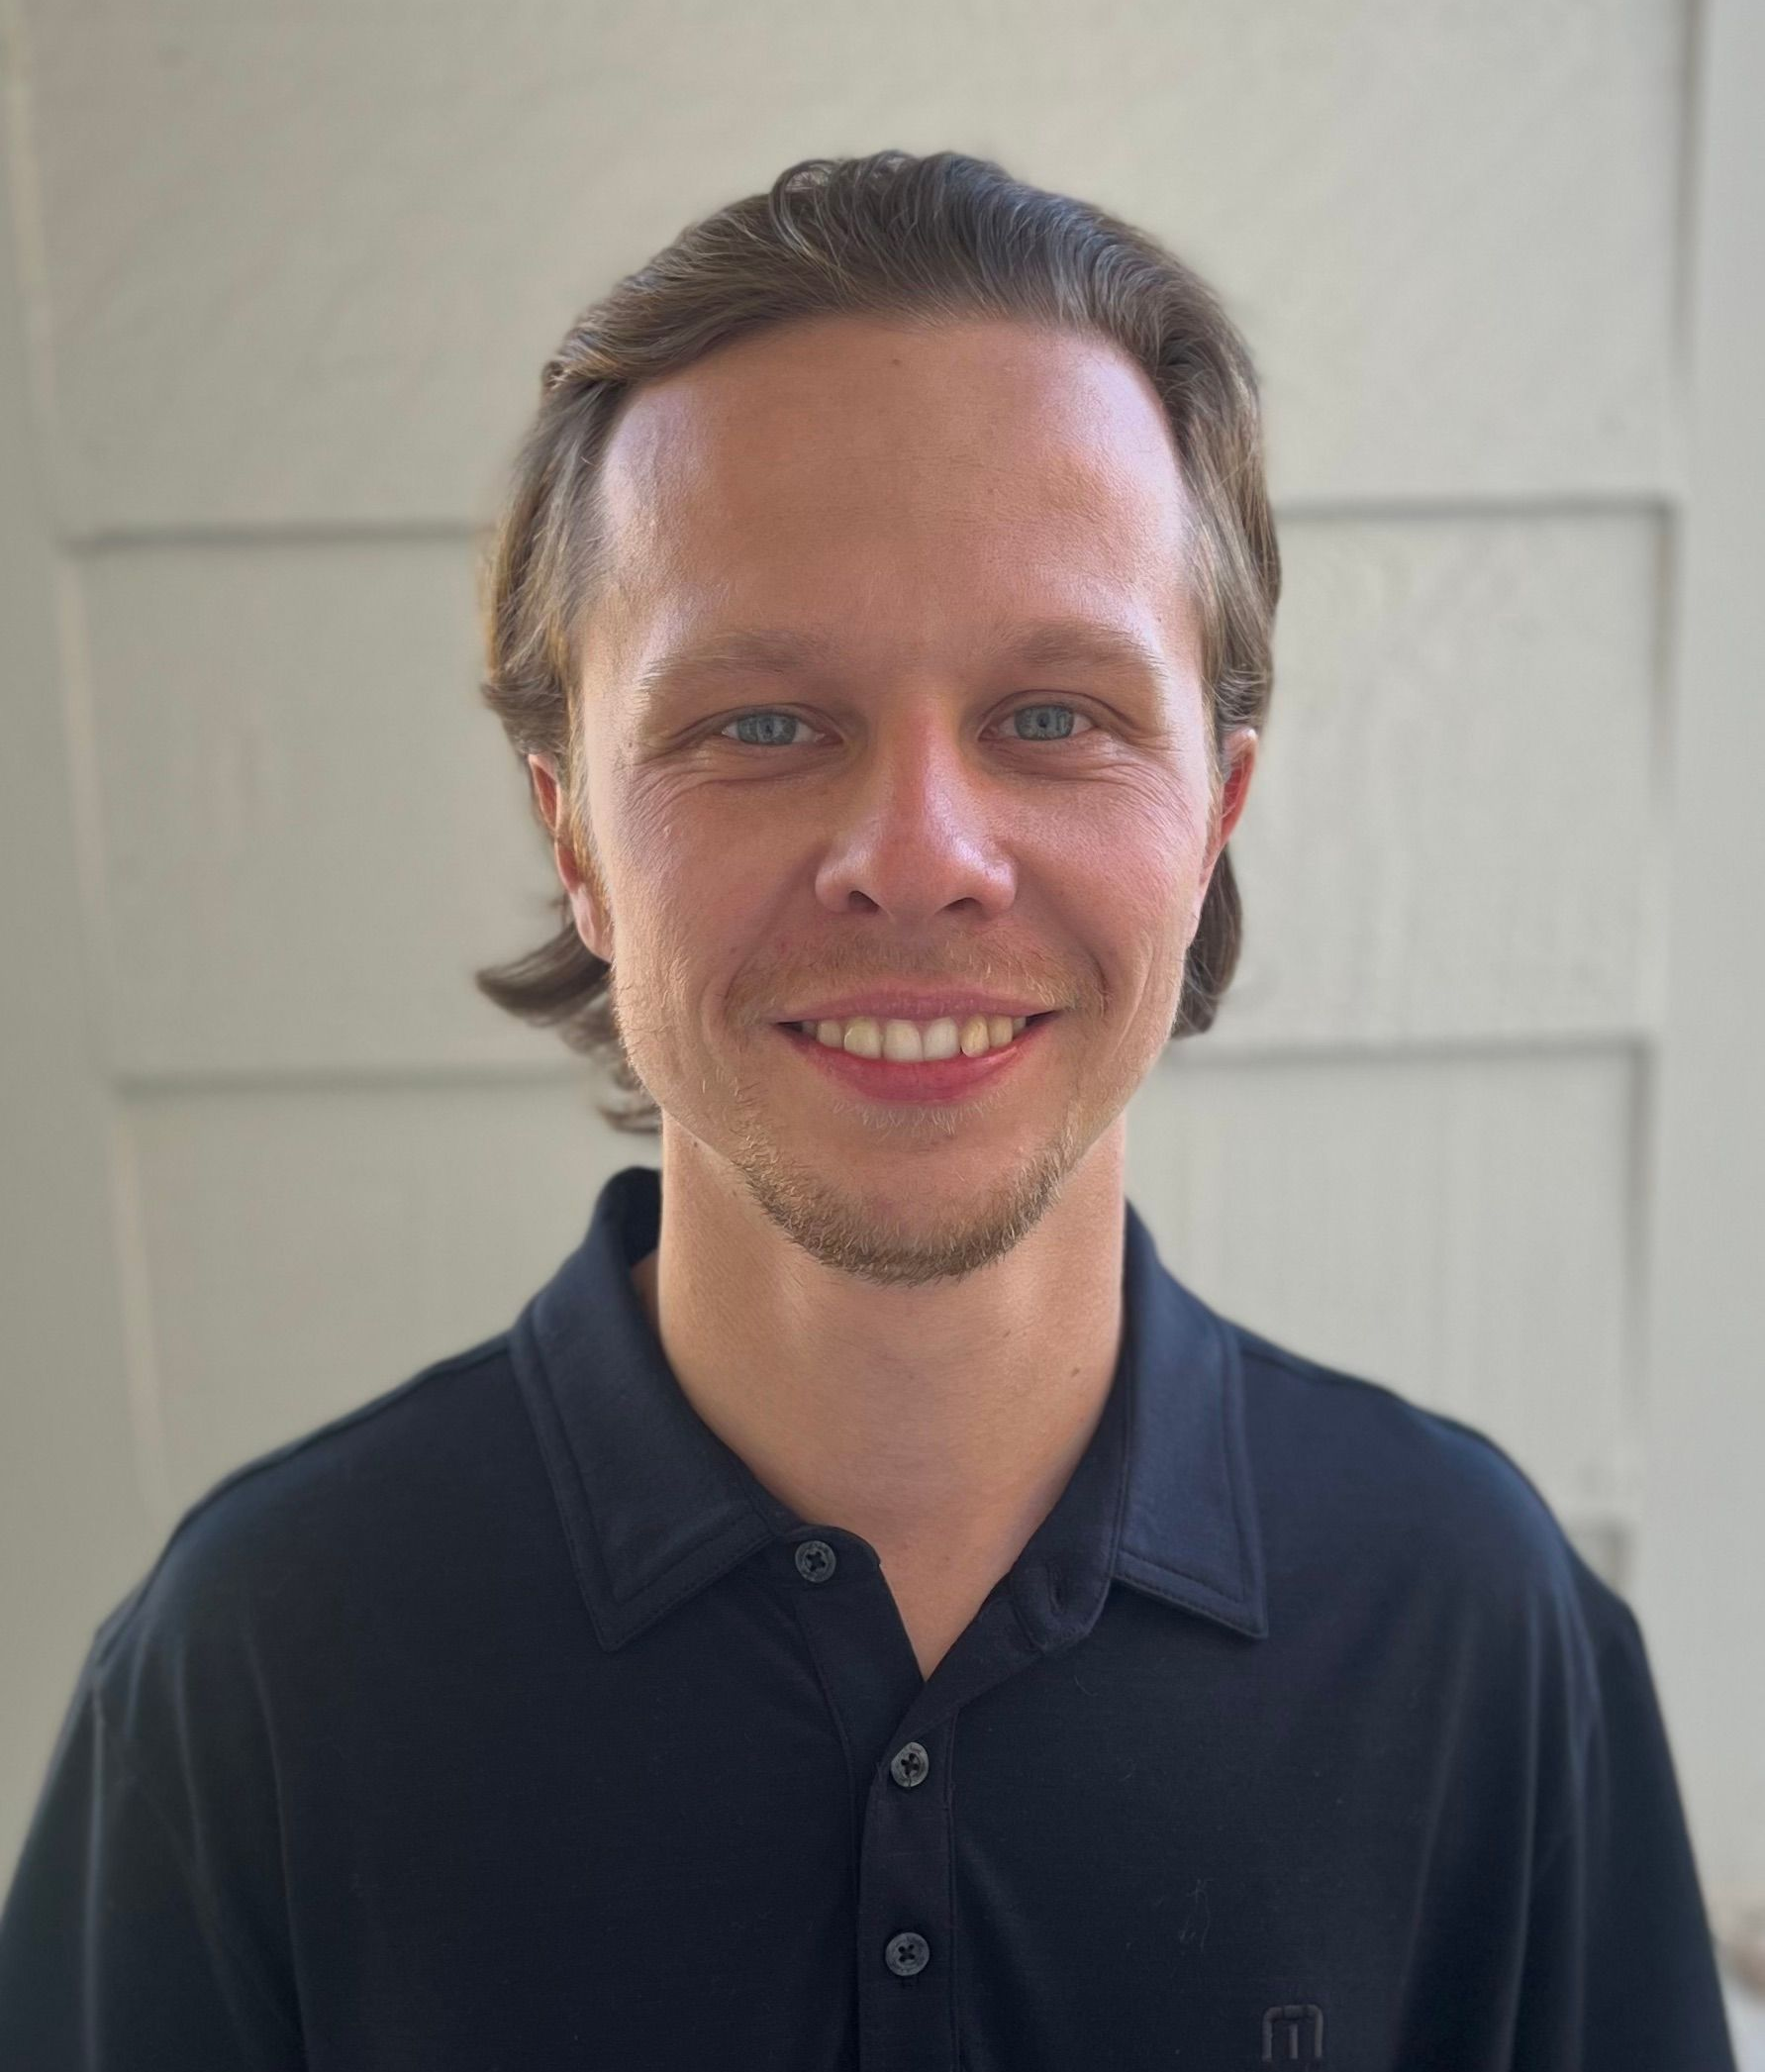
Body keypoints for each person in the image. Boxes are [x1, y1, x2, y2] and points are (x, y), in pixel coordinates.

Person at [0, 151, 1737, 2070]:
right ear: (573, 830)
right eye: (763, 723)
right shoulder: (252, 1676)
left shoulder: (1482, 1645)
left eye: (1053, 714)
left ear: (1217, 811)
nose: (917, 859)